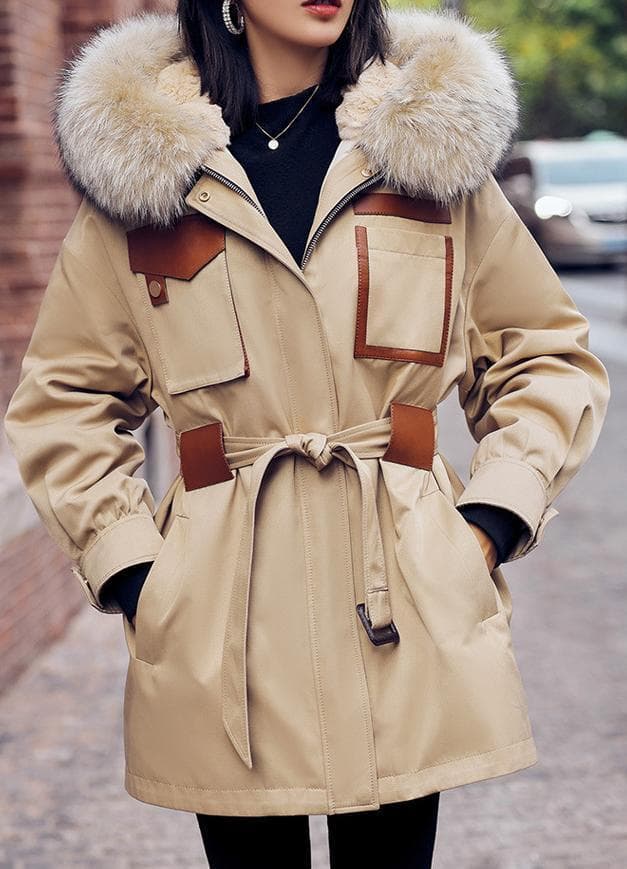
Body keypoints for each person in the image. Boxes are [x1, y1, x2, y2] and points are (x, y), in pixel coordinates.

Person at [3, 0, 610, 866]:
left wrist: (489, 522)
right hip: (222, 615)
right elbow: (65, 397)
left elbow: (542, 353)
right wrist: (137, 571)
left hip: (401, 591)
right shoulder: (150, 175)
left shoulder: (427, 152)